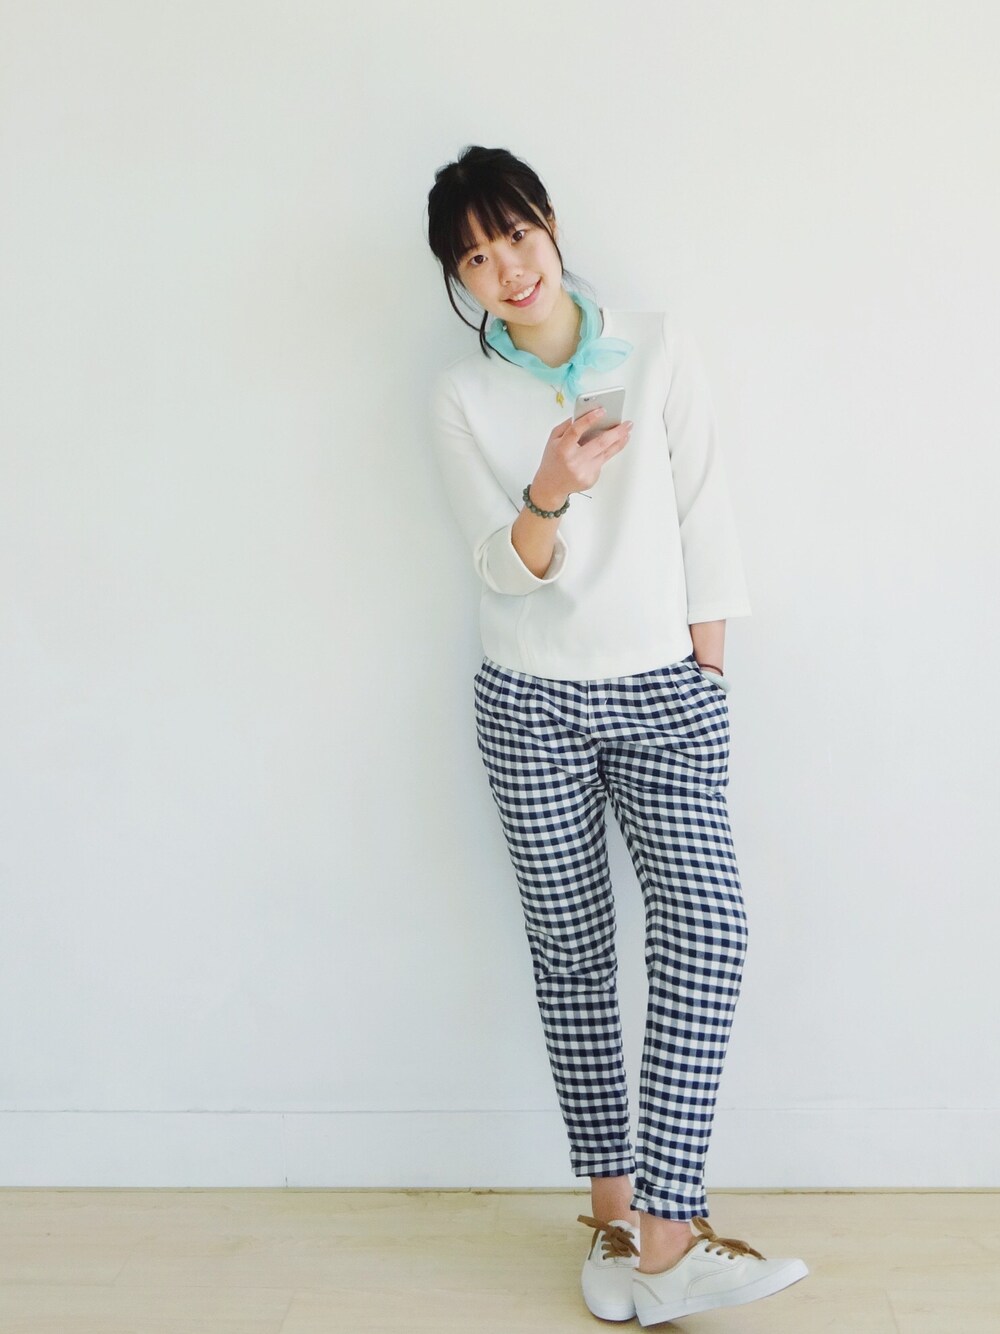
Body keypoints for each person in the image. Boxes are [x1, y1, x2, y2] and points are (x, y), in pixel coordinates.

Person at [424, 144, 809, 1326]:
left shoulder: (656, 343)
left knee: (708, 928)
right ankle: (612, 1219)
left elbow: (705, 505)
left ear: (549, 223)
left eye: (515, 236)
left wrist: (707, 666)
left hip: (664, 692)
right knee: (574, 952)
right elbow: (502, 567)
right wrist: (548, 485)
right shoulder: (461, 398)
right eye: (475, 259)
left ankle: (668, 1226)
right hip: (528, 701)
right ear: (460, 280)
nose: (507, 268)